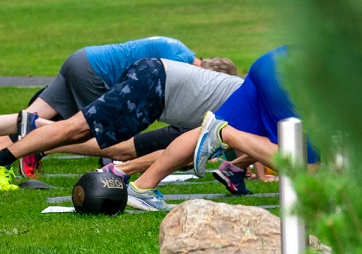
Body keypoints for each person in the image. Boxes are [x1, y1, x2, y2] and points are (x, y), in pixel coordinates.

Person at [0, 56, 242, 209]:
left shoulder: (245, 97)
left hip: (155, 81)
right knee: (77, 128)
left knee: (79, 132)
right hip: (155, 83)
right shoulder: (249, 102)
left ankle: (6, 155)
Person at [0, 36, 212, 170]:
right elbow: (146, 92)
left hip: (82, 60)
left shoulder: (178, 47)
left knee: (21, 123)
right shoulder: (181, 62)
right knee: (98, 138)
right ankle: (41, 145)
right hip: (94, 74)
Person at [119, 47, 318, 209]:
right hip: (289, 75)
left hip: (272, 61)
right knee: (305, 167)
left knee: (207, 129)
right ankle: (226, 134)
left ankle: (143, 186)